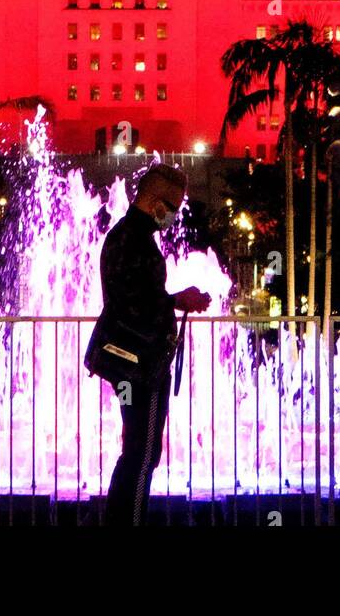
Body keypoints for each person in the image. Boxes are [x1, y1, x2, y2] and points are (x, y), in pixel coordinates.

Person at [98, 163, 211, 526]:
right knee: (142, 453)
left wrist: (175, 301)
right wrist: (175, 300)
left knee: (140, 451)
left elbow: (141, 295)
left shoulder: (134, 236)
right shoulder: (129, 238)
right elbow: (128, 300)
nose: (175, 214)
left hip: (140, 361)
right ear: (154, 201)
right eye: (173, 205)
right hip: (136, 364)